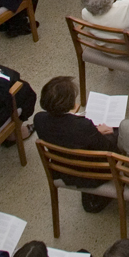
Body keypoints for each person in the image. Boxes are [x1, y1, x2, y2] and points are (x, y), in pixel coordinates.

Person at [33, 73, 115, 213]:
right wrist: (99, 132)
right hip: (90, 171)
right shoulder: (83, 126)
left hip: (62, 168)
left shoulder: (38, 119)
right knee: (115, 136)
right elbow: (106, 149)